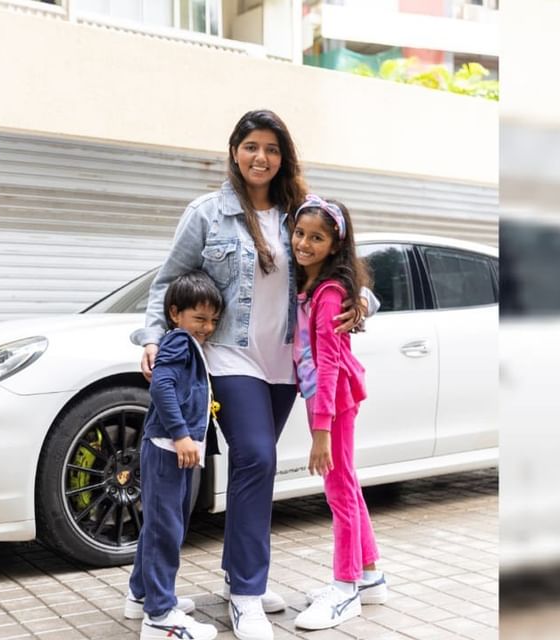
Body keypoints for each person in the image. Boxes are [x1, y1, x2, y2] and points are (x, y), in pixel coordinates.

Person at [131, 110, 369, 640]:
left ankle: (145, 589)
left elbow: (341, 269)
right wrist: (151, 338)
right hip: (229, 356)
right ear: (235, 151)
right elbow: (167, 282)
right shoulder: (207, 213)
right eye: (251, 146)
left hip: (286, 364)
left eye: (272, 148)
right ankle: (246, 593)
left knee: (252, 469)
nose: (261, 157)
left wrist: (361, 303)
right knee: (258, 459)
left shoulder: (298, 212)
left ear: (284, 156)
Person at [289, 195, 387, 631]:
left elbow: (327, 364)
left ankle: (345, 587)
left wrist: (321, 430)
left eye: (317, 238)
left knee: (339, 492)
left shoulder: (329, 294)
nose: (304, 244)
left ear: (335, 246)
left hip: (333, 401)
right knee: (346, 484)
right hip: (328, 398)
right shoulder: (312, 286)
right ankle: (370, 575)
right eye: (300, 234)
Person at [125, 270, 223, 640]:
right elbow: (162, 388)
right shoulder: (179, 341)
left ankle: (142, 595)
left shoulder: (185, 342)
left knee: (161, 525)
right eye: (199, 318)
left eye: (213, 320)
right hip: (168, 448)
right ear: (174, 313)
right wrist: (182, 435)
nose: (207, 327)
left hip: (171, 449)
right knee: (166, 530)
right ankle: (160, 616)